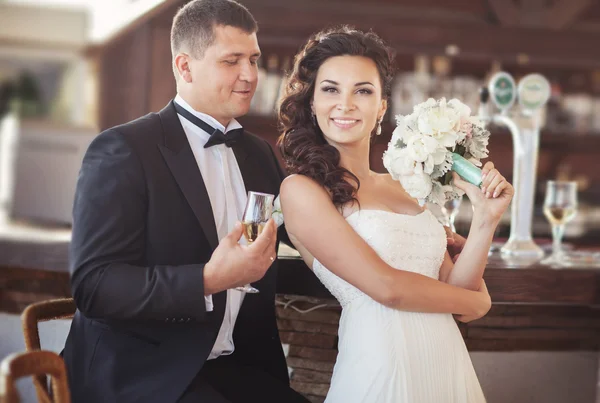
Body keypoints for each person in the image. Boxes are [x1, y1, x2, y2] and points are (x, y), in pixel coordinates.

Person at [62, 1, 309, 402]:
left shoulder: (260, 155)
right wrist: (209, 280)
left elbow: (304, 233)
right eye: (231, 61)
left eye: (253, 59)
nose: (250, 75)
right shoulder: (123, 150)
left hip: (237, 367)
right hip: (143, 374)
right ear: (185, 67)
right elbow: (94, 287)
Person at [278, 26, 514, 403]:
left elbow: (458, 288)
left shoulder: (410, 184)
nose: (345, 103)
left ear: (382, 106)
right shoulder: (302, 191)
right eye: (330, 89)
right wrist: (480, 304)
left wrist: (486, 219)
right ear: (312, 104)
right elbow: (387, 287)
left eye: (363, 91)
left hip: (445, 364)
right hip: (380, 366)